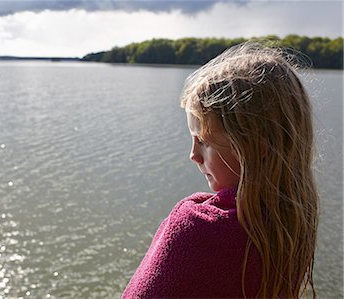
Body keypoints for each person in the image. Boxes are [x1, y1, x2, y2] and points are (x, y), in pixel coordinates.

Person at [121, 42, 319, 298]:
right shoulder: (290, 222)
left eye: (203, 141)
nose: (193, 156)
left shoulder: (195, 227)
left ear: (253, 146)